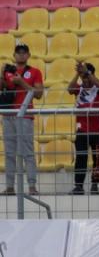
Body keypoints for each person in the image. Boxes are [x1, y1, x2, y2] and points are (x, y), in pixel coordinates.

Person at [1, 44, 43, 196]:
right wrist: (1, 72)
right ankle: (10, 186)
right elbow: (1, 87)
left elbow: (38, 94)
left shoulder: (34, 71)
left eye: (23, 52)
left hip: (24, 114)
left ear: (28, 55)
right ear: (14, 55)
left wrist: (21, 83)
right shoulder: (8, 72)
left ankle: (32, 186)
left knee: (27, 151)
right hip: (8, 114)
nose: (20, 55)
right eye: (18, 53)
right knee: (10, 152)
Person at [69, 62, 99, 195]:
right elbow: (69, 88)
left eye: (86, 76)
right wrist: (78, 73)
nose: (84, 79)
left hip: (97, 129)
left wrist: (88, 73)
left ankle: (95, 185)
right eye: (83, 76)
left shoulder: (97, 89)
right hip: (82, 130)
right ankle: (78, 186)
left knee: (98, 158)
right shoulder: (79, 89)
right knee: (81, 157)